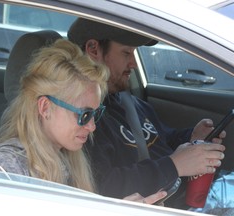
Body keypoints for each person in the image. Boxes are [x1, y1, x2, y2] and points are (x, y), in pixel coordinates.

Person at [0, 39, 167, 204]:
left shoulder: (68, 157)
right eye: (84, 115)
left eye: (96, 114)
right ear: (45, 108)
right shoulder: (7, 167)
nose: (92, 126)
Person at [67, 18, 226, 209]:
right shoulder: (85, 122)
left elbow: (159, 139)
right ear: (94, 49)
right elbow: (103, 187)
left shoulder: (130, 102)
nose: (133, 63)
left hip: (184, 197)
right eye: (126, 53)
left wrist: (191, 137)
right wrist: (174, 165)